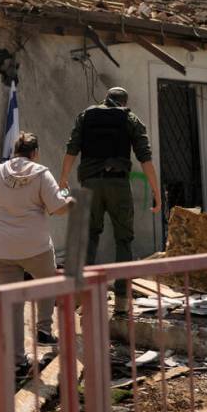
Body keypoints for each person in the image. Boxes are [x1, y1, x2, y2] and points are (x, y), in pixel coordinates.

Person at [0, 131, 72, 369]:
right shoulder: (42, 174)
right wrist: (68, 198)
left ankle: (17, 361)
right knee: (47, 281)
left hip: (0, 249)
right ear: (35, 153)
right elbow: (58, 208)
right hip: (36, 247)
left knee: (12, 303)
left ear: (14, 153)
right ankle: (43, 328)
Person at [59, 87, 161, 312]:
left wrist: (63, 178)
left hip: (90, 185)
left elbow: (71, 149)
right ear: (124, 102)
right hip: (118, 184)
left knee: (87, 238)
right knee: (123, 240)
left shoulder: (86, 116)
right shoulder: (130, 119)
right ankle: (123, 303)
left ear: (106, 99)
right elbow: (145, 157)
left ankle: (80, 298)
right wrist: (156, 192)